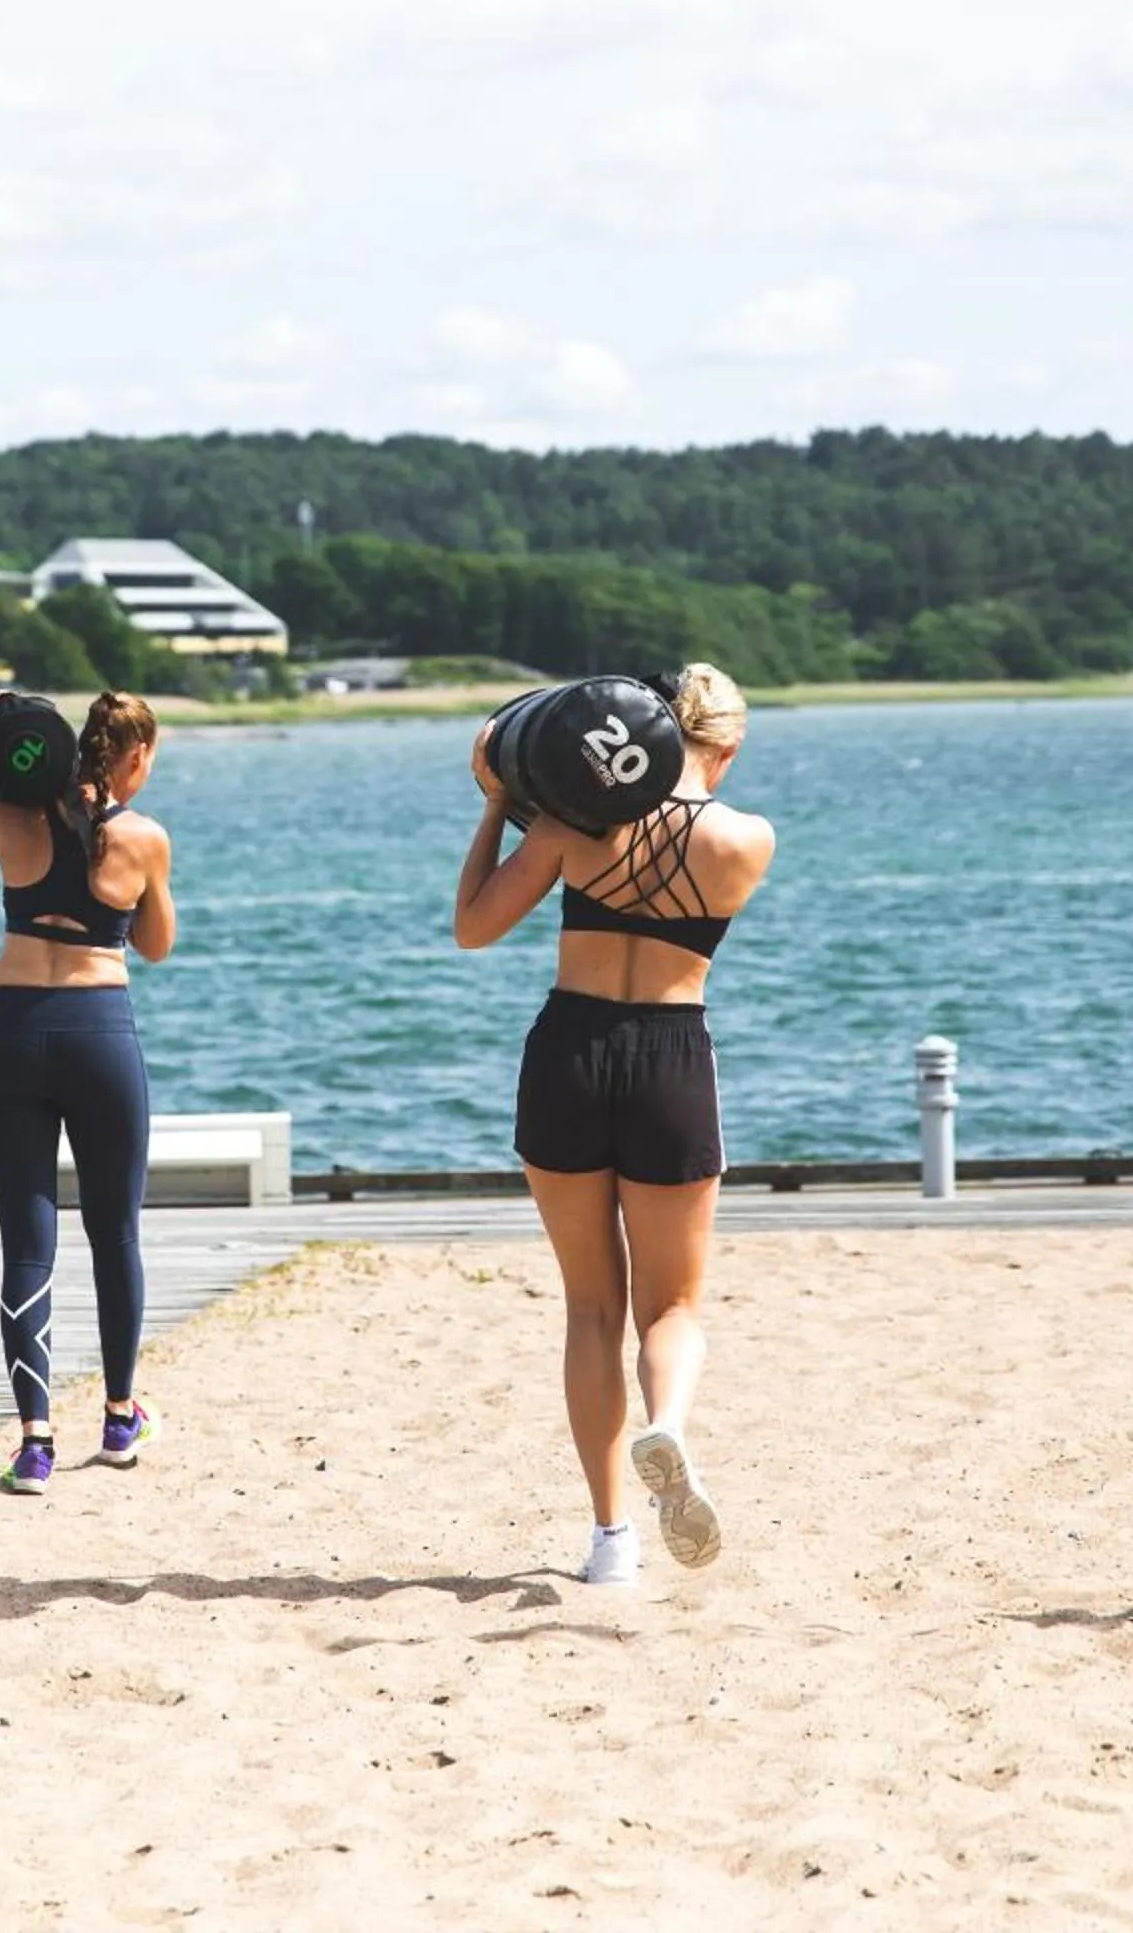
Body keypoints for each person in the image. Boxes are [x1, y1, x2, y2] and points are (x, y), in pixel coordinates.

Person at [451, 664, 775, 1585]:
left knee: (590, 1308)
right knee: (669, 1308)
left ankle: (610, 1543)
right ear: (730, 746)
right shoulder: (747, 840)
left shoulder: (573, 824)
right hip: (672, 1058)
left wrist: (497, 805)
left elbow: (473, 928)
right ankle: (665, 1425)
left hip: (569, 1054)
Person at [0, 691, 176, 1495]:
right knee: (115, 1232)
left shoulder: (6, 816)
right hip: (99, 1031)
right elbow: (156, 947)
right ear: (132, 758)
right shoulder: (143, 837)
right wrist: (137, 892)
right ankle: (121, 1417)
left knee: (28, 1240)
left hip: (16, 1030)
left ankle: (35, 1441)